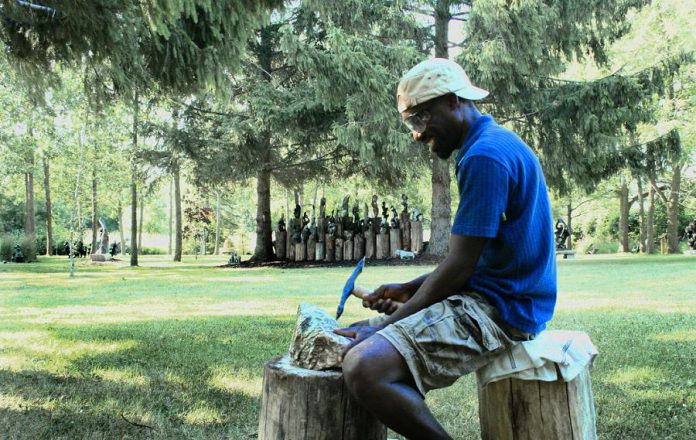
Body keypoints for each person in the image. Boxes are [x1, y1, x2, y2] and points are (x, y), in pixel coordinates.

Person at [334, 58, 557, 439]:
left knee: (364, 366)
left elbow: (459, 266)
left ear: (453, 101)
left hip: (503, 311)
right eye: (411, 124)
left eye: (421, 119)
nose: (417, 135)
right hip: (494, 296)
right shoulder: (490, 144)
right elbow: (480, 258)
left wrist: (392, 323)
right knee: (351, 335)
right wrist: (411, 289)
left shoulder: (485, 157)